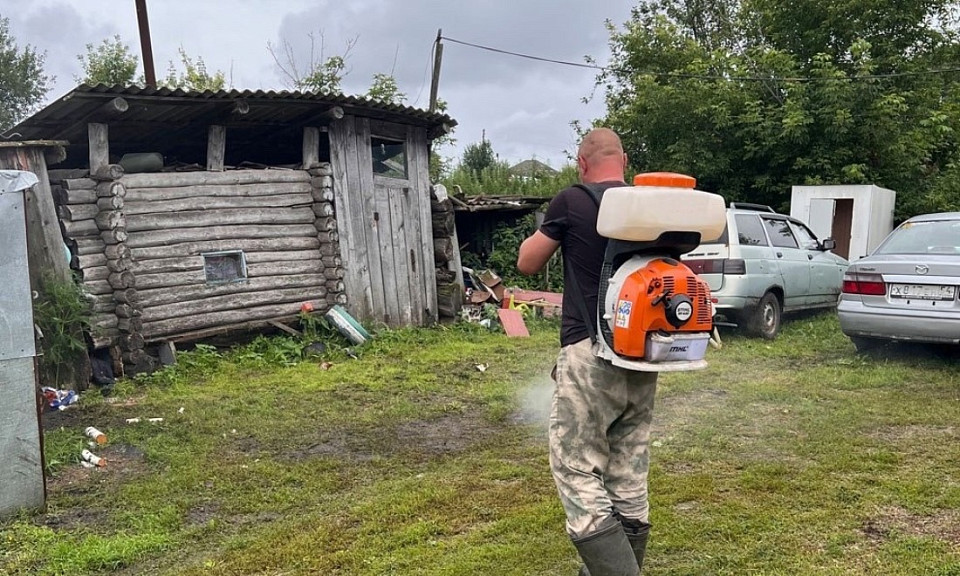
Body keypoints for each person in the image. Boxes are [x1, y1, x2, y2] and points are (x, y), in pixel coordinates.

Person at [517, 128, 657, 576]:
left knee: (577, 470)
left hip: (589, 351)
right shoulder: (646, 205)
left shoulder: (571, 200)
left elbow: (527, 263)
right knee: (628, 470)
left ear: (581, 162)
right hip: (643, 356)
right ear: (625, 159)